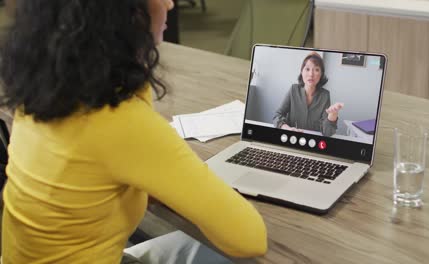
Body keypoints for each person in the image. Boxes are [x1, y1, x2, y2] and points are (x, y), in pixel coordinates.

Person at [0, 0, 267, 263]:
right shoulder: (119, 122)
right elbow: (250, 238)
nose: (171, 5)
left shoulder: (42, 95)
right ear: (123, 13)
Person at [274, 52, 344, 137]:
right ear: (302, 72)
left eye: (316, 70)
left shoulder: (325, 95)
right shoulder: (293, 89)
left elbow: (327, 133)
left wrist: (332, 116)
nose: (311, 74)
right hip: (291, 139)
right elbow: (277, 116)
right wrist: (287, 128)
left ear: (321, 74)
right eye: (307, 69)